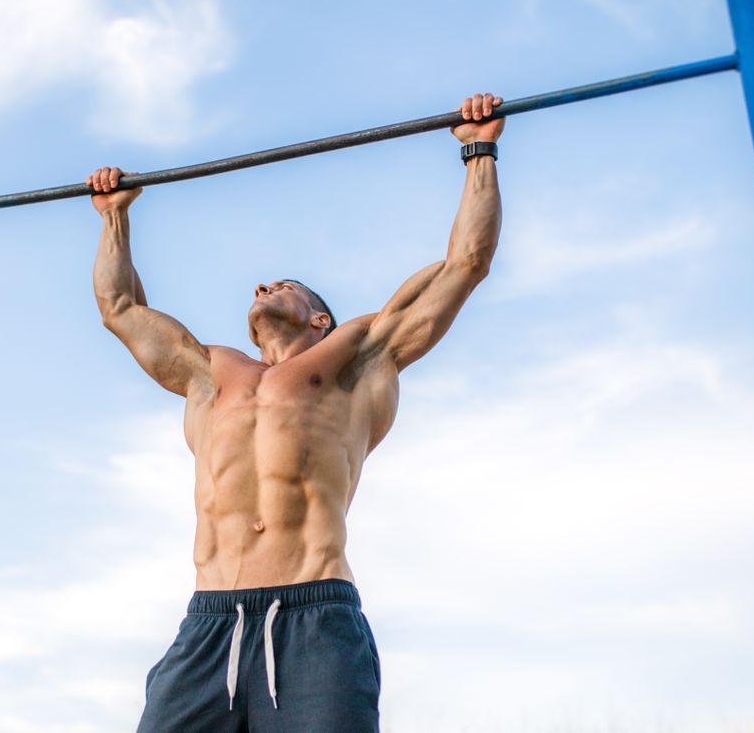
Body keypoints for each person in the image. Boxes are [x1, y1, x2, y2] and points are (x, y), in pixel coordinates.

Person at [89, 92, 505, 732]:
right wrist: (113, 217)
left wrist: (478, 150)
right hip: (209, 624)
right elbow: (120, 307)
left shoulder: (358, 358)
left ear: (320, 317)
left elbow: (465, 264)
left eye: (282, 284)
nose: (261, 287)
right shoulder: (210, 373)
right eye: (259, 286)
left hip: (315, 621)